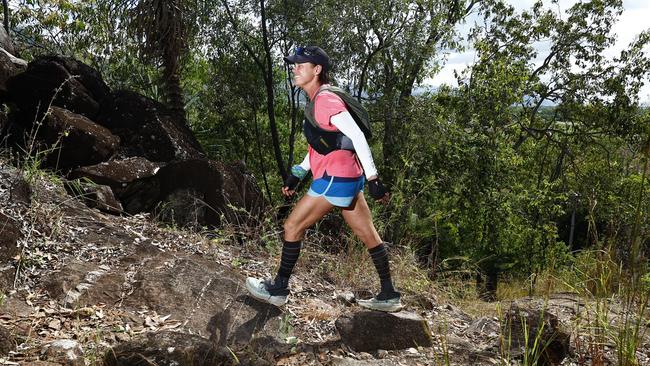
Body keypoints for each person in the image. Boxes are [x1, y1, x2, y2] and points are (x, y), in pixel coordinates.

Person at [245, 46, 402, 312]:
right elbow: (323, 145)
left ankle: (279, 289)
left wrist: (374, 178)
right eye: (294, 65)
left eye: (300, 65)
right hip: (348, 178)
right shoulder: (318, 99)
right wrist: (297, 175)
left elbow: (357, 136)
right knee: (367, 233)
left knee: (292, 226)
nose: (294, 69)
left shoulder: (325, 100)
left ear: (317, 70)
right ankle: (389, 293)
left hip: (334, 179)